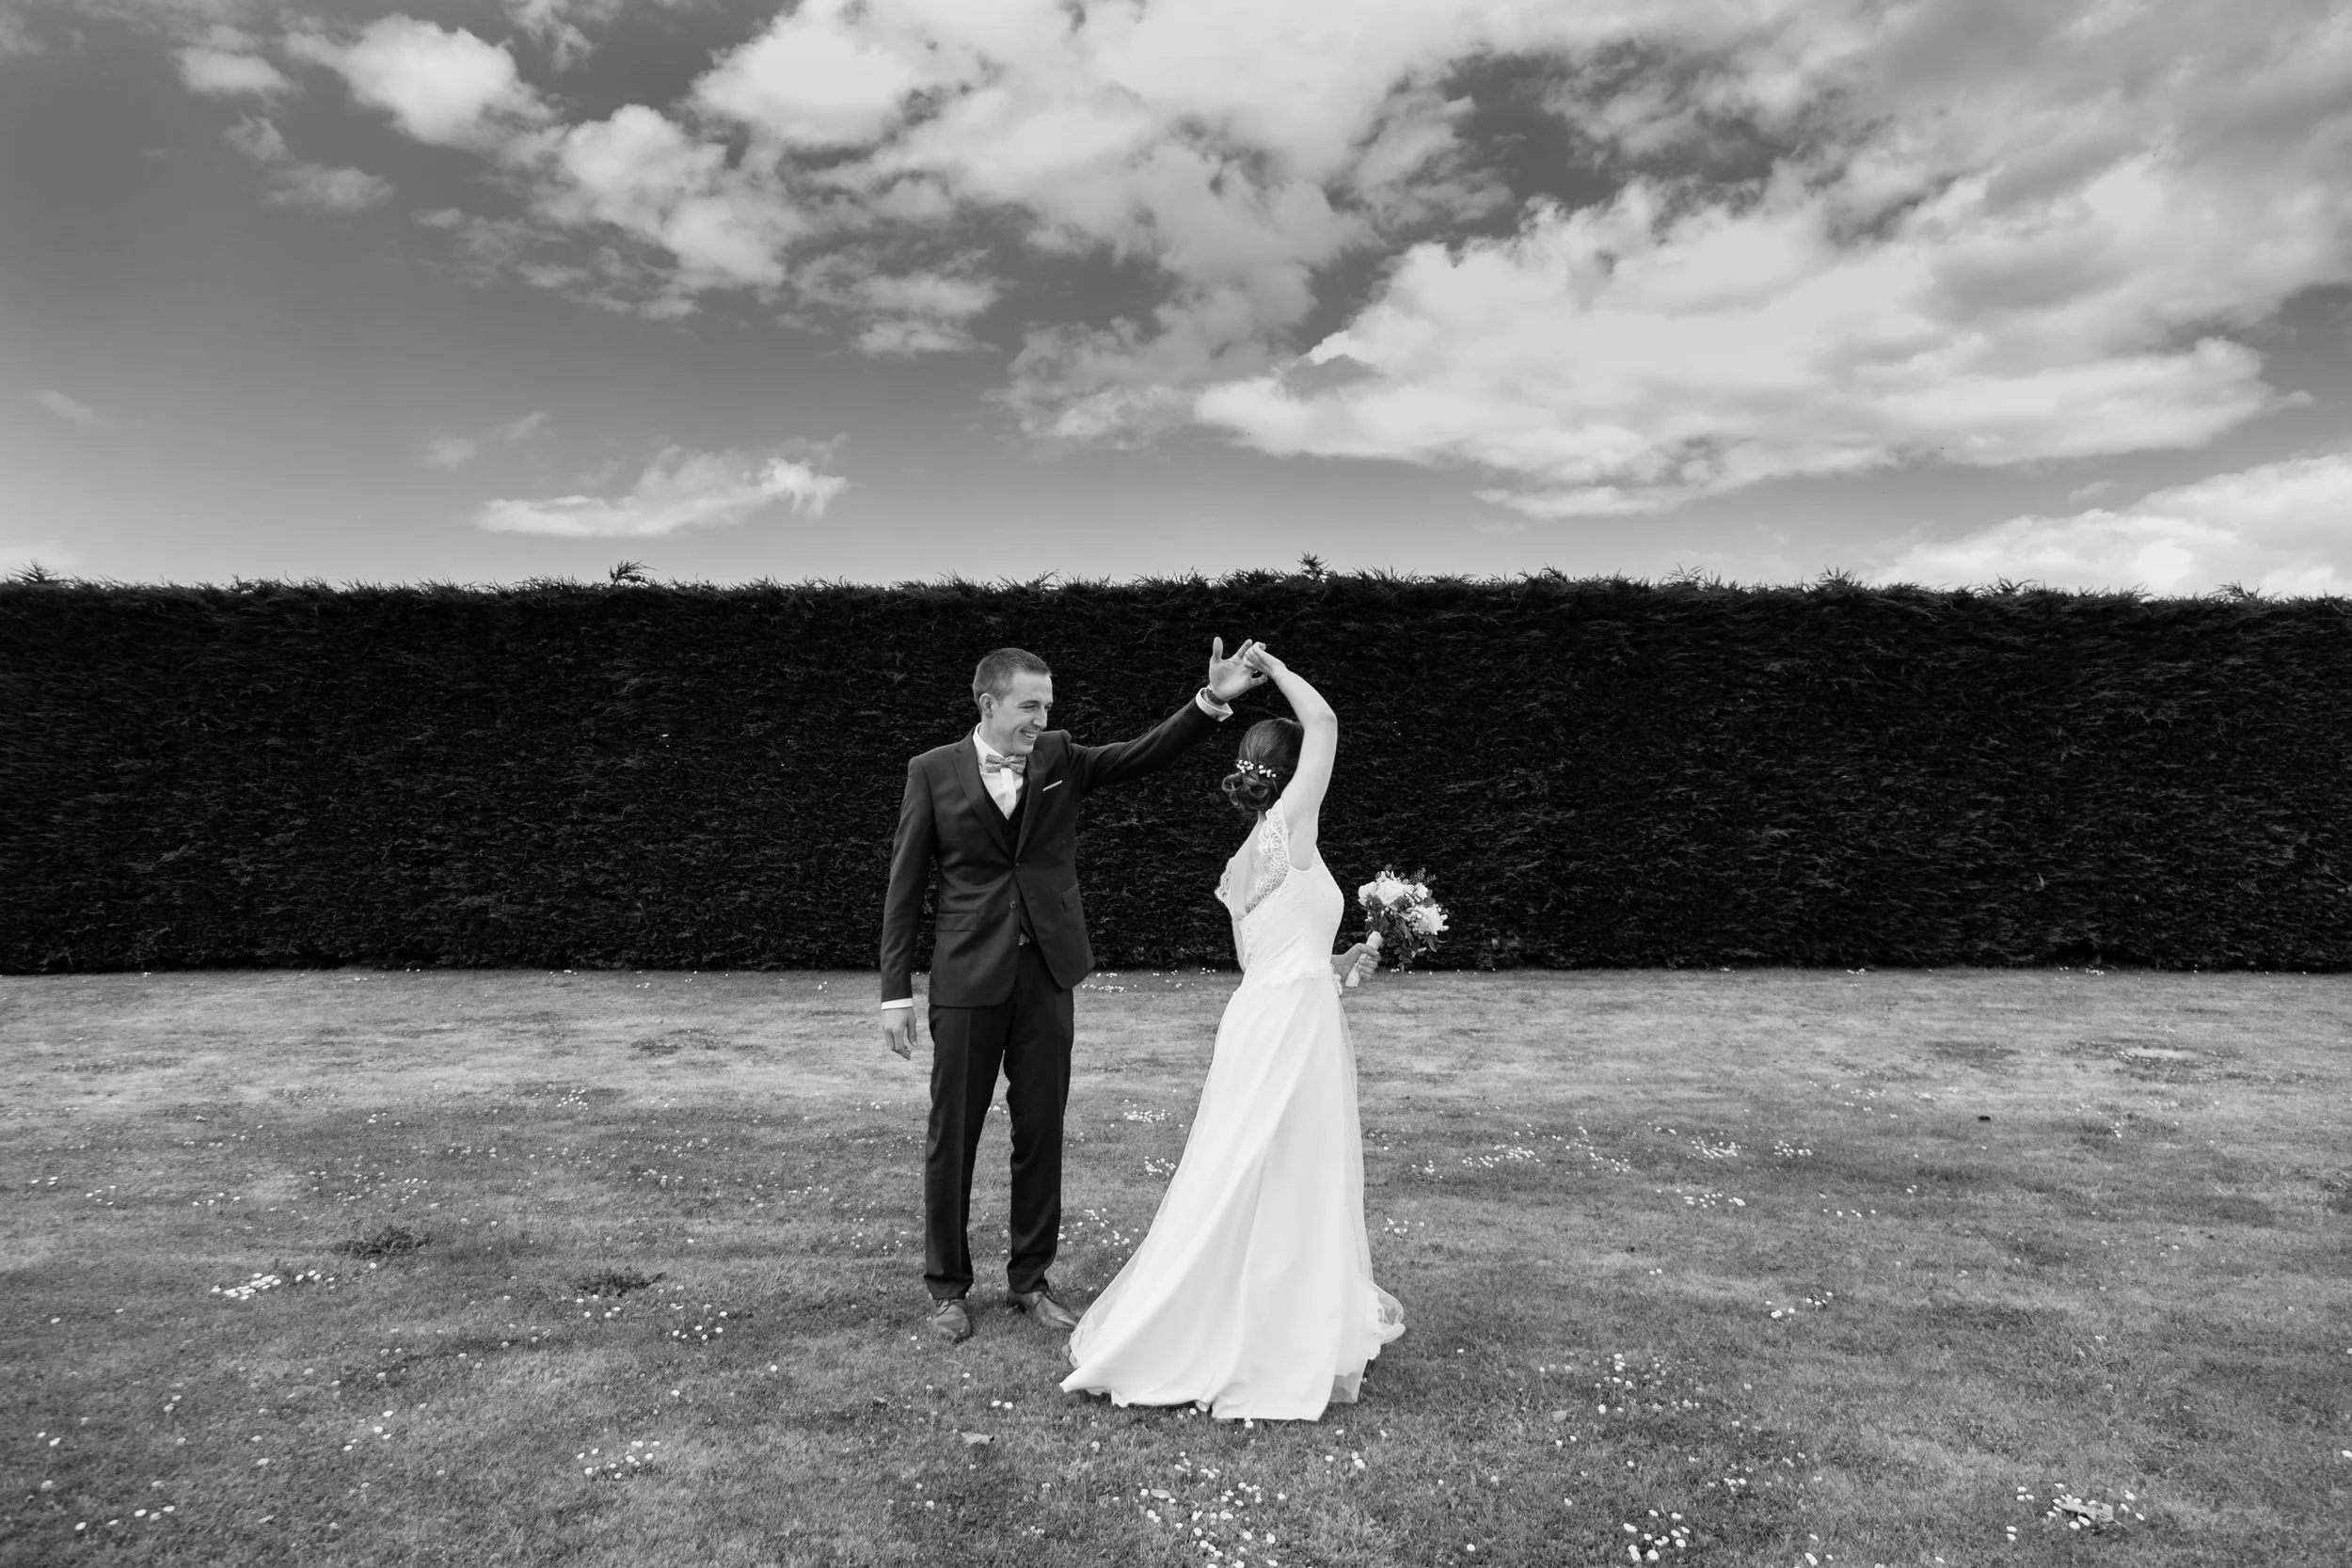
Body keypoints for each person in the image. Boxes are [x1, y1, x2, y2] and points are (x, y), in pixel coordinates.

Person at [879, 640, 1270, 1344]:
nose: (1041, 718)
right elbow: (905, 886)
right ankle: (947, 1289)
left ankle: (1030, 1280)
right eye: (1029, 706)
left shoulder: (1059, 756)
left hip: (1047, 975)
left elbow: (1140, 754)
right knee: (953, 1136)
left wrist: (1212, 700)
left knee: (1042, 1130)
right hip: (967, 978)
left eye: (1047, 706)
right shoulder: (931, 771)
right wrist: (893, 992)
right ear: (989, 703)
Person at [1060, 644, 1405, 1420]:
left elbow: (1281, 958)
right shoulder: (1290, 824)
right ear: (1289, 778)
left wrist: (1350, 958)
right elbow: (1325, 719)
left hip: (1268, 1018)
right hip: (1290, 1028)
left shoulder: (1244, 859)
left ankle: (1258, 1313)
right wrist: (1276, 670)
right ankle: (1270, 1334)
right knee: (1287, 1168)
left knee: (1255, 1169)